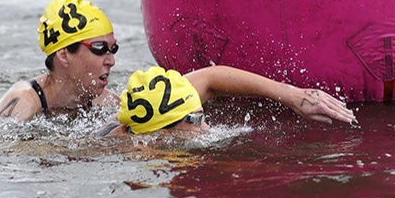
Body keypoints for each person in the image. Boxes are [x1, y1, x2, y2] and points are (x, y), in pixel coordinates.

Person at [94, 66, 357, 136]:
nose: (206, 126)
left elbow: (211, 76)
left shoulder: (162, 109)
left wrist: (292, 95)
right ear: (161, 133)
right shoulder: (132, 148)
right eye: (196, 120)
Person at [0, 0, 120, 121]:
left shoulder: (109, 104)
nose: (111, 61)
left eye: (113, 49)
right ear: (64, 56)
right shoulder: (23, 101)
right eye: (100, 49)